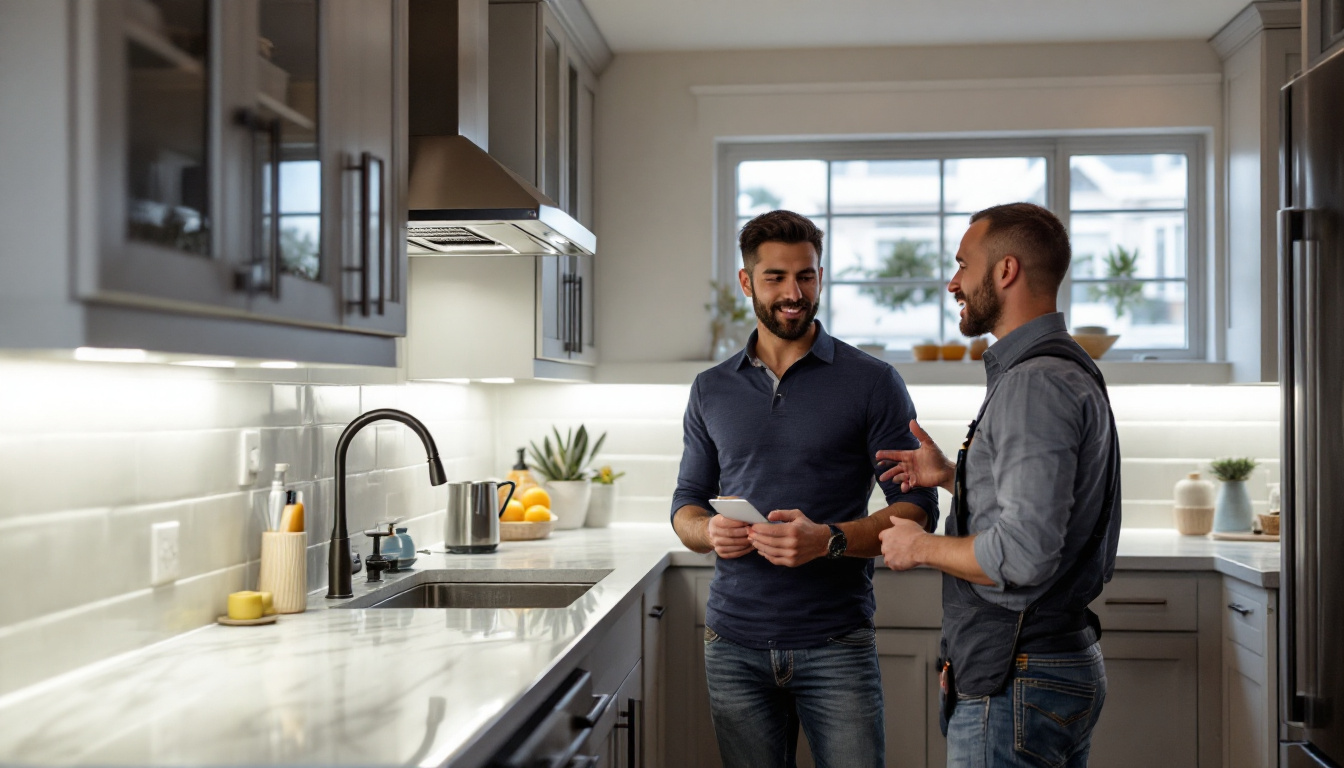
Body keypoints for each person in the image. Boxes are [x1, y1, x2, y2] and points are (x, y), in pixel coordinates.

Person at [670, 209, 939, 768]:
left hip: (836, 644)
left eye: (807, 276)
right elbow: (685, 504)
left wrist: (829, 540)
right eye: (776, 278)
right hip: (732, 645)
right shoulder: (710, 389)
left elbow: (917, 508)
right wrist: (707, 530)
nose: (794, 293)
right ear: (747, 282)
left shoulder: (872, 382)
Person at [875, 202, 1122, 768]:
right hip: (1046, 668)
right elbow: (1049, 499)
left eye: (963, 265)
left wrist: (920, 547)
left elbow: (1024, 553)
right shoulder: (1065, 365)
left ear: (1005, 271)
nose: (952, 282)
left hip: (1020, 679)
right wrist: (956, 477)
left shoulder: (1034, 383)